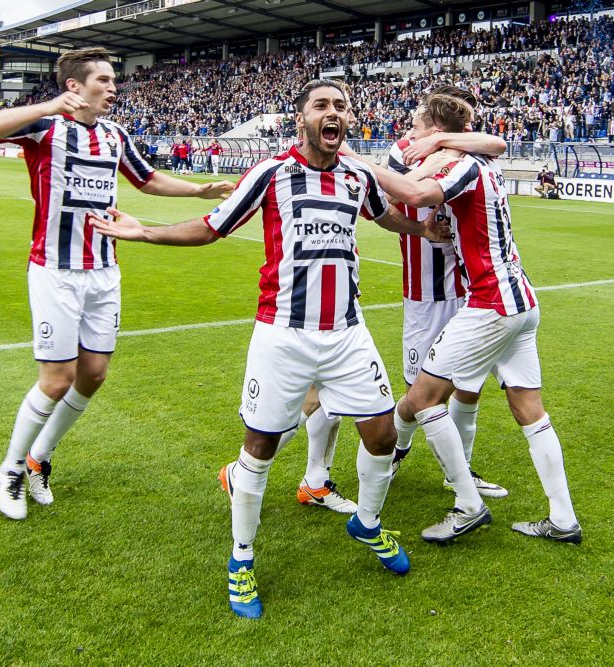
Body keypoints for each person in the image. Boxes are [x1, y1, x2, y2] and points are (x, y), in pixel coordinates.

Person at [90, 79, 449, 619]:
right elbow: (212, 228)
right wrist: (145, 233)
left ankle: (368, 524)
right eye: (322, 106)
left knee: (381, 434)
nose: (334, 114)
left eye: (342, 107)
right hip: (282, 335)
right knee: (259, 447)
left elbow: (384, 214)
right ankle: (241, 559)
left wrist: (425, 232)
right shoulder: (272, 173)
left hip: (348, 333)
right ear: (301, 118)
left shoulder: (357, 175)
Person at [0, 47, 234, 522]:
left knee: (93, 375)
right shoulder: (47, 127)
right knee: (56, 380)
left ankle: (39, 459)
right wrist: (48, 105)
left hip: (104, 271)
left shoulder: (114, 134)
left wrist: (199, 189)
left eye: (114, 80)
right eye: (104, 80)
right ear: (75, 86)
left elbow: (148, 180)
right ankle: (9, 468)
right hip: (55, 269)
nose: (114, 87)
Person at [369, 94, 582, 546]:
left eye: (418, 129)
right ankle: (563, 519)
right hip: (522, 301)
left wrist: (349, 160)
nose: (412, 136)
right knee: (530, 410)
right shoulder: (482, 161)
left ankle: (466, 505)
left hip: (489, 302)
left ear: (438, 133)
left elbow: (414, 192)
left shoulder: (464, 165)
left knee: (423, 398)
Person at [384, 87, 509, 497]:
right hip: (423, 291)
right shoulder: (403, 149)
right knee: (418, 390)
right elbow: (388, 196)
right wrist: (421, 226)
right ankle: (395, 451)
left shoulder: (459, 149)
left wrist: (443, 143)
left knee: (469, 385)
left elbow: (496, 143)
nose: (413, 123)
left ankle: (462, 470)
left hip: (468, 291)